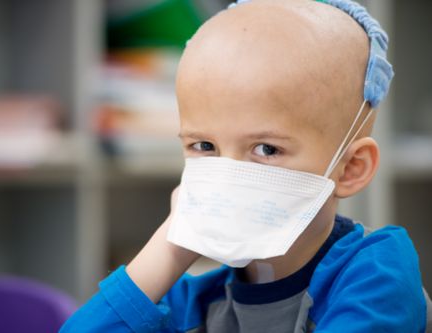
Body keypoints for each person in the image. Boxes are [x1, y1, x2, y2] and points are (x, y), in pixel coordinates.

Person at [60, 0, 431, 332]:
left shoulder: (375, 272)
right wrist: (172, 245)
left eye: (266, 149)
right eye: (204, 146)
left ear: (350, 168)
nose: (227, 176)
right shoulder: (196, 299)